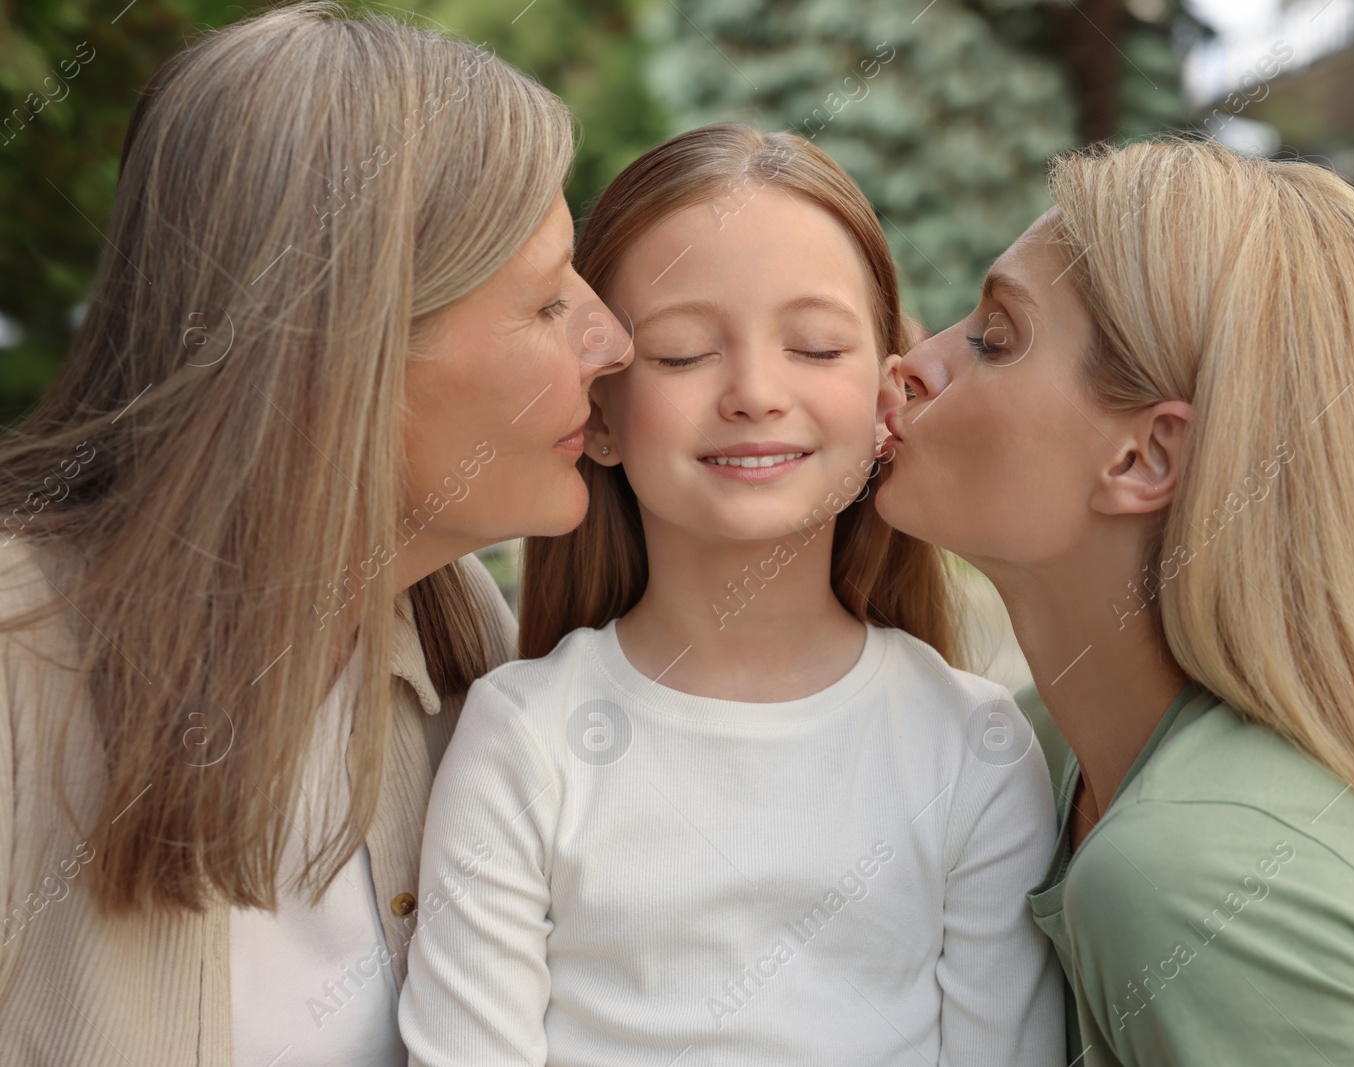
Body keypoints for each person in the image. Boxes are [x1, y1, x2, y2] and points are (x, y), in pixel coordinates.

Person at [875, 136, 1354, 1064]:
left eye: (996, 338)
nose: (913, 363)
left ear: (1146, 457)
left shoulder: (1192, 869)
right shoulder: (1040, 752)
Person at [0, 6, 629, 1065]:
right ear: (349, 351)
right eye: (544, 301)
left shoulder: (459, 631)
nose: (612, 339)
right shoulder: (21, 656)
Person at [397, 123, 1066, 1066]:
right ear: (600, 416)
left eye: (817, 347)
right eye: (679, 354)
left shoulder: (977, 749)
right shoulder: (522, 734)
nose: (754, 390)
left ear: (887, 400)